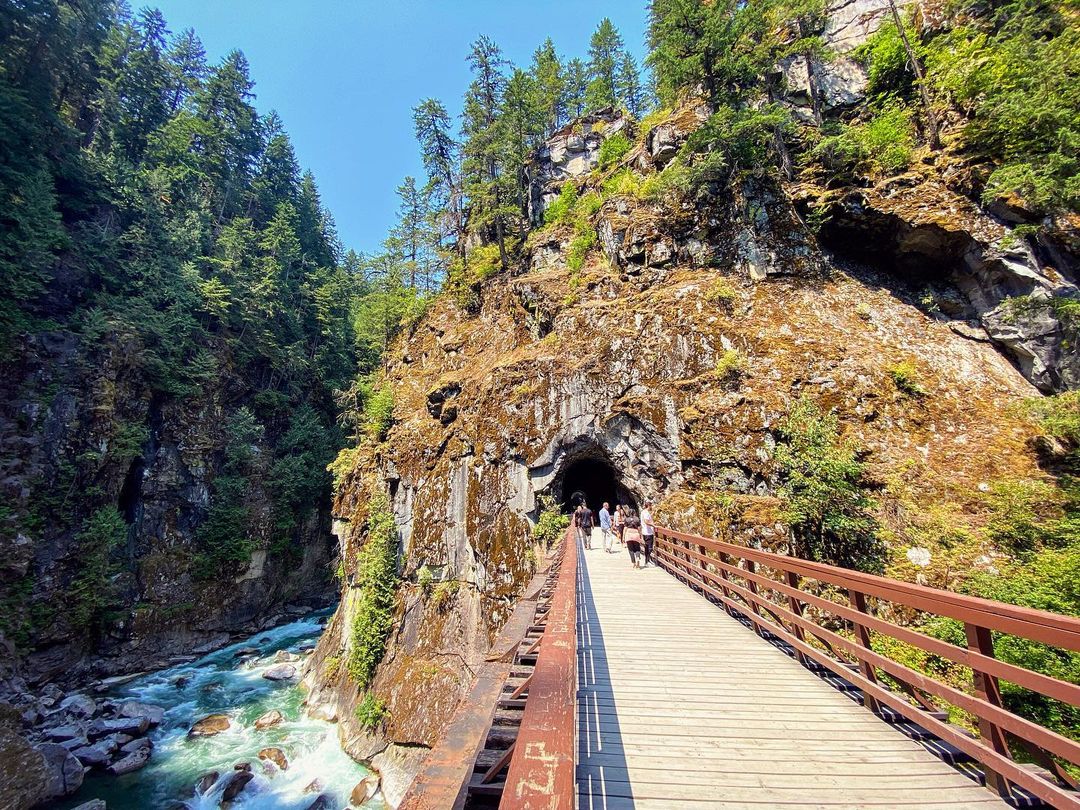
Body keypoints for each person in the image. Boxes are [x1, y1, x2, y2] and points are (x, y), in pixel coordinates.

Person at [641, 500, 656, 567]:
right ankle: (647, 562)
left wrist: (652, 514)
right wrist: (653, 525)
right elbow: (646, 521)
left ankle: (647, 561)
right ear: (649, 506)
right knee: (649, 548)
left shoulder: (643, 512)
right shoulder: (646, 513)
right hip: (648, 533)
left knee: (647, 547)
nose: (651, 507)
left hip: (645, 532)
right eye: (651, 506)